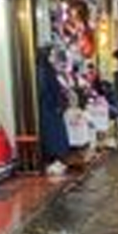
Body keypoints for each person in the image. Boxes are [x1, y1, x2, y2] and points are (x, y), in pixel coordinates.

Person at [35, 46, 71, 176]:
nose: (51, 57)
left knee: (52, 134)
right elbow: (48, 89)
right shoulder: (45, 71)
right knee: (54, 134)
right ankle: (56, 158)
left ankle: (55, 159)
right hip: (50, 108)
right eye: (49, 54)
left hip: (49, 108)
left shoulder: (43, 70)